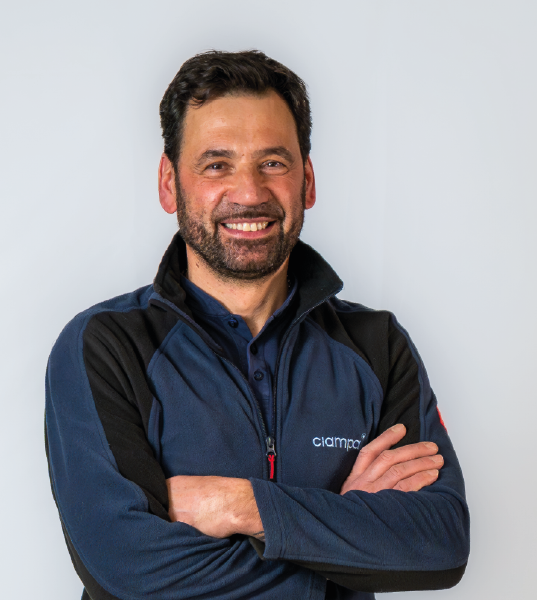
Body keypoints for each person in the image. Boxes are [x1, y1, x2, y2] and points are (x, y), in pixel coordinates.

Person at [45, 50, 470, 600]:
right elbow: (125, 570)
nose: (249, 192)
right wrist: (343, 533)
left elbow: (439, 545)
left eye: (273, 163)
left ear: (307, 181)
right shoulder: (105, 346)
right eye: (216, 164)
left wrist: (241, 506)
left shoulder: (377, 345)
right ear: (170, 183)